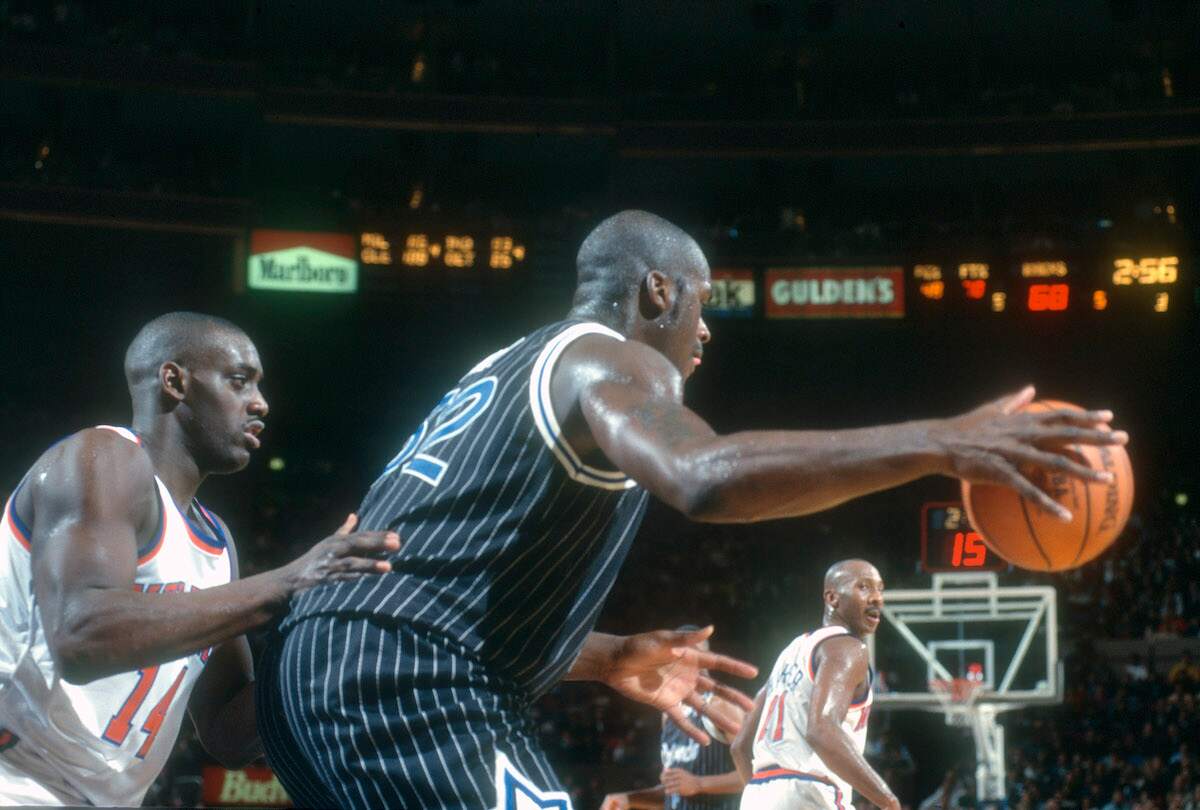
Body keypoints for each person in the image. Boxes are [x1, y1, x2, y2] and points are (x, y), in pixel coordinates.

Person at [260, 209, 1126, 810]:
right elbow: (705, 476)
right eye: (702, 303)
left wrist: (599, 657)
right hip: (406, 682)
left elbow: (443, 575)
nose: (706, 332)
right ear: (658, 293)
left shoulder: (500, 370)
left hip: (320, 668)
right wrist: (940, 441)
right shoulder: (610, 360)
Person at [0, 312, 397, 806]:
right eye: (238, 381)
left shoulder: (214, 542)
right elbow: (81, 637)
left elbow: (227, 733)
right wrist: (289, 582)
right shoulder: (103, 458)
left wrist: (335, 640)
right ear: (174, 382)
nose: (261, 403)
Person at [732, 560, 891, 810]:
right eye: (864, 587)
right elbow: (821, 729)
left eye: (880, 589)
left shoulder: (789, 652)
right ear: (832, 598)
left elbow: (740, 746)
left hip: (757, 794)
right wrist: (888, 801)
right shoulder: (848, 648)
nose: (877, 599)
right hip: (810, 789)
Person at [601, 627, 747, 810]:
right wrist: (629, 799)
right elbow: (677, 791)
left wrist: (699, 783)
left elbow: (757, 774)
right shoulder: (669, 715)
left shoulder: (722, 706)